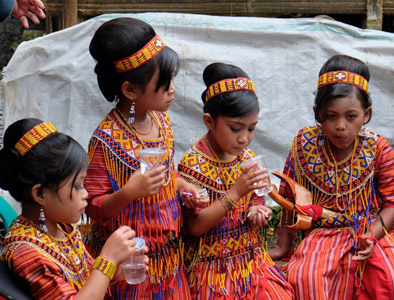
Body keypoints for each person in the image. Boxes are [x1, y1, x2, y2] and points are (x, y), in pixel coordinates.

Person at [269, 55, 394, 299]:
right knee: (307, 279)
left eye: (351, 116)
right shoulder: (304, 144)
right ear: (317, 114)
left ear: (366, 114)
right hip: (321, 234)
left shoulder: (378, 148)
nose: (341, 126)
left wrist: (371, 236)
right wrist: (284, 246)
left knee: (392, 279)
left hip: (368, 230)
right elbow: (288, 198)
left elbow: (393, 204)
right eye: (331, 116)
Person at [85, 17, 200, 299]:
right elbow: (92, 207)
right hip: (132, 265)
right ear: (130, 90)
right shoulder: (106, 140)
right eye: (164, 83)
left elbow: (167, 175)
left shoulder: (162, 122)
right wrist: (129, 192)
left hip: (169, 259)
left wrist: (185, 188)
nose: (173, 88)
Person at [178, 62, 294, 299]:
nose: (244, 138)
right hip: (211, 267)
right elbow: (194, 227)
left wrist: (258, 212)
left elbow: (255, 201)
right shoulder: (193, 164)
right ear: (209, 121)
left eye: (252, 129)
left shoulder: (248, 158)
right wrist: (234, 193)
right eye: (235, 128)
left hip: (251, 260)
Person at [0, 118, 143, 299]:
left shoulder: (63, 228)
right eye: (77, 186)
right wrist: (108, 260)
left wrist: (115, 272)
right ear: (40, 194)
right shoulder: (26, 252)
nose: (86, 194)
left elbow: (88, 281)